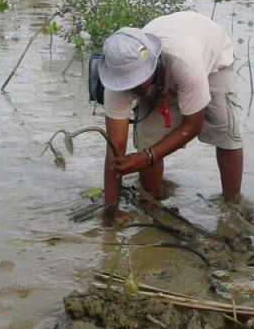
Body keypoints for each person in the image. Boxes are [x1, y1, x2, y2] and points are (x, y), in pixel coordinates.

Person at [98, 11, 244, 223]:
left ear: (154, 66)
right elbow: (115, 149)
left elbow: (192, 125)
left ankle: (233, 206)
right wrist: (111, 208)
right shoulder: (115, 85)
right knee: (148, 138)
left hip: (212, 59)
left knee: (224, 131)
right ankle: (153, 201)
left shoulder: (184, 63)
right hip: (172, 67)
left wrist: (148, 157)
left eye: (139, 84)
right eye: (130, 86)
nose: (134, 90)